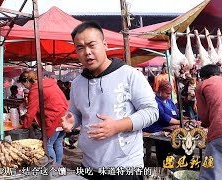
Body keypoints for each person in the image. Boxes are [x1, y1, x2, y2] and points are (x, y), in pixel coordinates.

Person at [61, 21, 158, 179]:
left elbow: (152, 112)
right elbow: (76, 113)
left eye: (92, 45)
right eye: (80, 48)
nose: (87, 52)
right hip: (88, 165)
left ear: (105, 45)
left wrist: (117, 126)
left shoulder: (129, 75)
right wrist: (72, 122)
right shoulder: (77, 83)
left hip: (125, 167)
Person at [18, 71, 68, 165]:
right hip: (64, 117)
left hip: (53, 118)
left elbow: (31, 111)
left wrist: (25, 126)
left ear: (27, 81)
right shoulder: (50, 83)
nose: (25, 87)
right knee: (58, 143)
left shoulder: (35, 89)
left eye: (24, 84)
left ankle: (53, 168)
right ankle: (59, 167)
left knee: (47, 145)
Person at [143, 80, 181, 166]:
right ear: (160, 91)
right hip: (155, 128)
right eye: (167, 93)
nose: (168, 95)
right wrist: (180, 122)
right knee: (162, 143)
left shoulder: (169, 101)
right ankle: (161, 163)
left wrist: (184, 119)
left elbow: (176, 112)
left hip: (169, 127)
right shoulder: (155, 102)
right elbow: (163, 117)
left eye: (169, 93)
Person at [196, 64, 222, 179]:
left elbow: (204, 117)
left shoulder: (203, 85)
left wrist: (205, 124)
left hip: (219, 131)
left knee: (210, 175)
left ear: (204, 77)